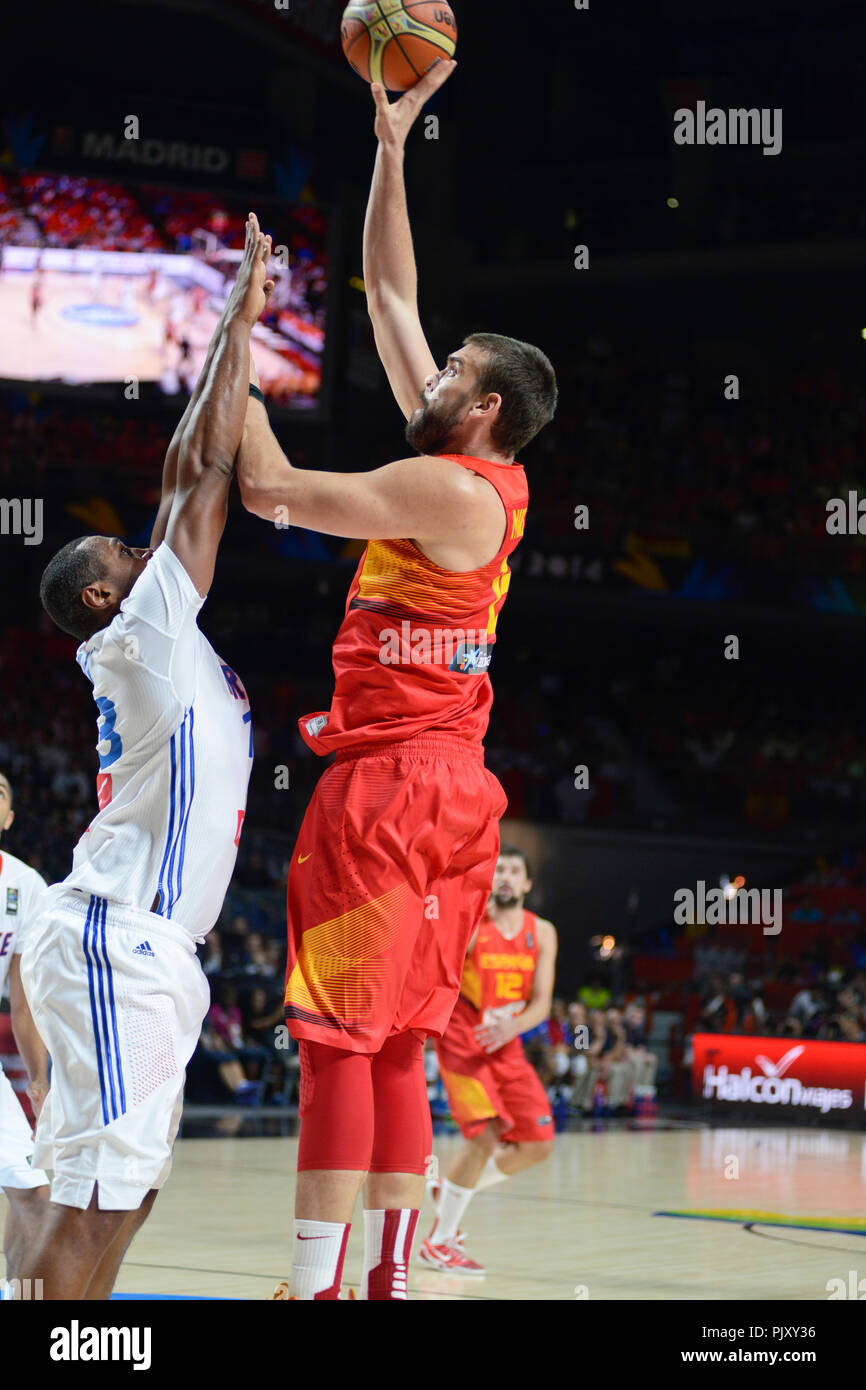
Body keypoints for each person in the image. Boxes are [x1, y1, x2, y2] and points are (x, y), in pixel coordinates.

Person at [237, 63, 557, 1301]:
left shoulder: (439, 488)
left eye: (444, 371)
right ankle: (375, 1282)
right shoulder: (482, 479)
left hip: (387, 788)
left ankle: (315, 1285)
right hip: (452, 792)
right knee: (392, 1054)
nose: (420, 371)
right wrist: (390, 144)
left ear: (477, 405)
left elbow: (270, 490)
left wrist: (244, 340)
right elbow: (391, 298)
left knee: (332, 1048)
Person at [15, 214, 272, 1300]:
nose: (148, 546)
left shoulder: (163, 642)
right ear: (97, 595)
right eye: (128, 551)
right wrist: (235, 315)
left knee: (128, 1188)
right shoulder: (142, 631)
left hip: (147, 946)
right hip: (119, 939)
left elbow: (196, 479)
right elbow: (196, 469)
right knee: (102, 1194)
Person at [422, 846, 557, 1273]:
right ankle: (439, 1242)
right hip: (465, 1042)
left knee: (538, 1144)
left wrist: (511, 1028)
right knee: (487, 1134)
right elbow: (436, 974)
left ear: (527, 884)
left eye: (515, 871)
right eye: (499, 870)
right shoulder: (472, 924)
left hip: (508, 1043)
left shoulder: (543, 932)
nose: (506, 877)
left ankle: (453, 1188)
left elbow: (542, 1003)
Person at [0, 772, 51, 1294]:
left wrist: (39, 1076)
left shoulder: (24, 885)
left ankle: (21, 1299)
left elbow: (23, 995)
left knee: (33, 1191)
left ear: (9, 818)